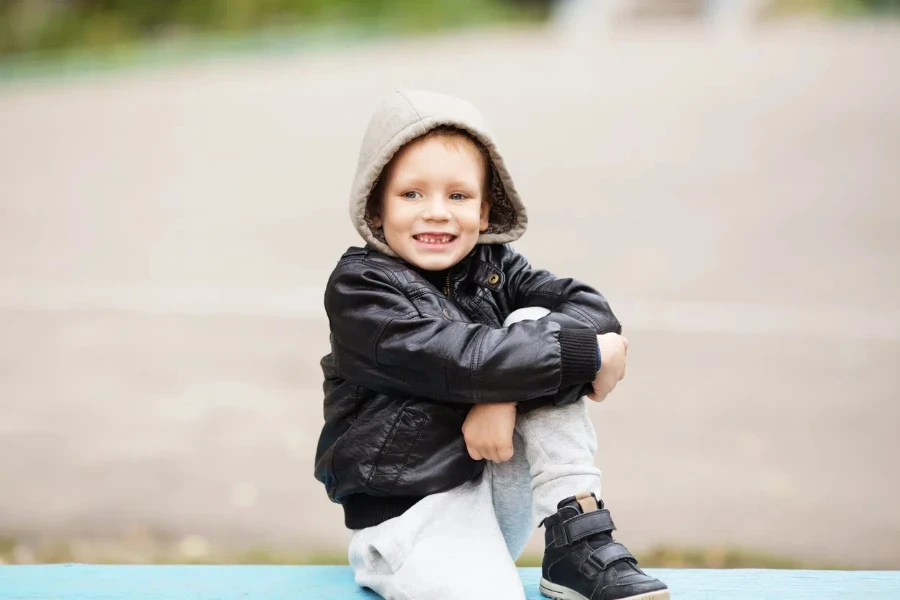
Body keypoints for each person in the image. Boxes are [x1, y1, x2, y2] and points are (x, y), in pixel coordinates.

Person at [314, 89, 668, 600]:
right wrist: (575, 358)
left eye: (457, 196)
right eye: (411, 194)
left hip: (495, 489)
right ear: (374, 207)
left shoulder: (496, 268)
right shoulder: (361, 291)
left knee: (539, 319)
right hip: (411, 515)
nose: (436, 213)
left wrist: (503, 396)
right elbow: (457, 360)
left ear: (485, 212)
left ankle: (576, 536)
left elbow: (589, 307)